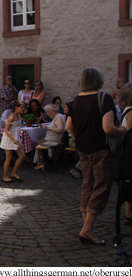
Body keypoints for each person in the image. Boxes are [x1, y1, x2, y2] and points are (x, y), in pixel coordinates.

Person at [66, 67, 126, 245]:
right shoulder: (104, 98)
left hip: (83, 148)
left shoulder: (76, 100)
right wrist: (121, 130)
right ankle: (87, 229)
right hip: (100, 148)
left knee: (88, 185)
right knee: (101, 186)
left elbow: (69, 127)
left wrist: (80, 138)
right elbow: (108, 128)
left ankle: (87, 226)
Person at [0, 100, 27, 183]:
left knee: (22, 155)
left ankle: (14, 173)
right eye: (22, 107)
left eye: (24, 107)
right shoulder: (11, 117)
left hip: (16, 138)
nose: (23, 109)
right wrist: (13, 139)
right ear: (16, 107)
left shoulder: (19, 116)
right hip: (9, 138)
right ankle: (5, 176)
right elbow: (6, 130)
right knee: (9, 157)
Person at [33, 104, 65, 170]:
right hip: (52, 137)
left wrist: (47, 128)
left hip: (54, 139)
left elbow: (60, 130)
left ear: (53, 111)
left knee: (37, 143)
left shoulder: (58, 117)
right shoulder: (58, 117)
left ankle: (42, 163)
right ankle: (42, 162)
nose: (48, 114)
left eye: (48, 112)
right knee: (37, 141)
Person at [119, 82, 132, 225]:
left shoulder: (127, 109)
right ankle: (129, 214)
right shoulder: (131, 111)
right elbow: (130, 132)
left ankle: (129, 213)